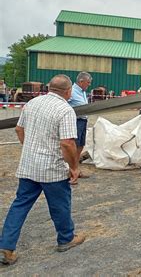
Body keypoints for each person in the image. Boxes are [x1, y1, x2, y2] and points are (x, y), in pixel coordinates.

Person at [0, 74, 85, 266]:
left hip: (29, 165)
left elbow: (19, 130)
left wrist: (29, 149)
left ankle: (6, 247)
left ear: (49, 88)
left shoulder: (32, 103)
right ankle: (66, 239)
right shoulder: (65, 110)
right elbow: (68, 143)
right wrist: (74, 167)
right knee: (60, 204)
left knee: (20, 205)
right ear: (69, 91)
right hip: (51, 168)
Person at [68, 72, 92, 171]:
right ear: (81, 81)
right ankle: (70, 168)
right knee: (74, 145)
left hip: (83, 120)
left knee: (81, 145)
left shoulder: (82, 92)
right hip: (75, 121)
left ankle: (75, 168)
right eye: (88, 82)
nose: (89, 84)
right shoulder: (72, 91)